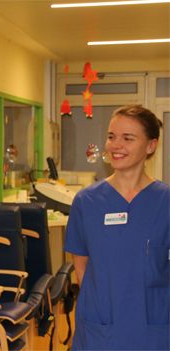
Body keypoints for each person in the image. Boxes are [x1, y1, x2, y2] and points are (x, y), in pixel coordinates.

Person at [64, 104, 169, 350]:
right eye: (111, 137)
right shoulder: (86, 202)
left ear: (151, 146)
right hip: (101, 330)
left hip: (154, 329)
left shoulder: (165, 202)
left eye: (127, 138)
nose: (115, 145)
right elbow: (82, 269)